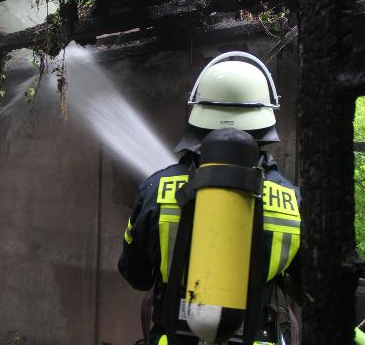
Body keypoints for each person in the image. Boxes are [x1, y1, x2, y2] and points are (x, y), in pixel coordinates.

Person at [118, 52, 302, 345]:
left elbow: (136, 275)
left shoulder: (155, 189)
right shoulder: (291, 200)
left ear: (198, 115)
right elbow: (306, 286)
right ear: (266, 119)